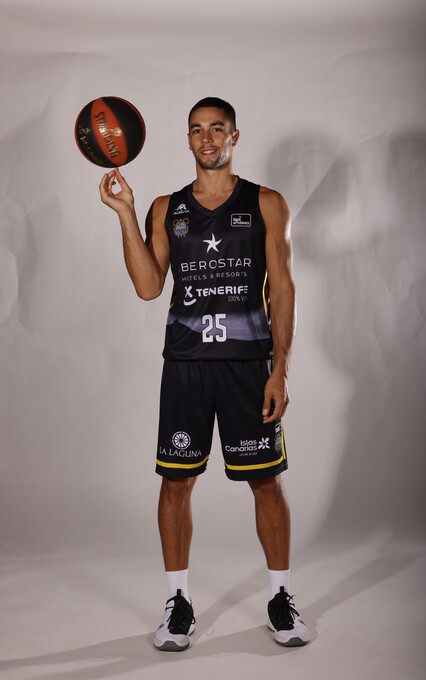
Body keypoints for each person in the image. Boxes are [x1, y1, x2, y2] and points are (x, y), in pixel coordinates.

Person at [99, 97, 310, 651]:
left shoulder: (266, 203)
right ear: (188, 139)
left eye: (218, 128)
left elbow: (283, 288)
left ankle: (281, 598)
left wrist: (280, 370)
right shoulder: (167, 208)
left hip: (248, 367)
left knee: (266, 481)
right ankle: (178, 604)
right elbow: (149, 286)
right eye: (197, 130)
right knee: (175, 482)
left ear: (235, 136)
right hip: (187, 367)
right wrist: (126, 213)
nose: (207, 138)